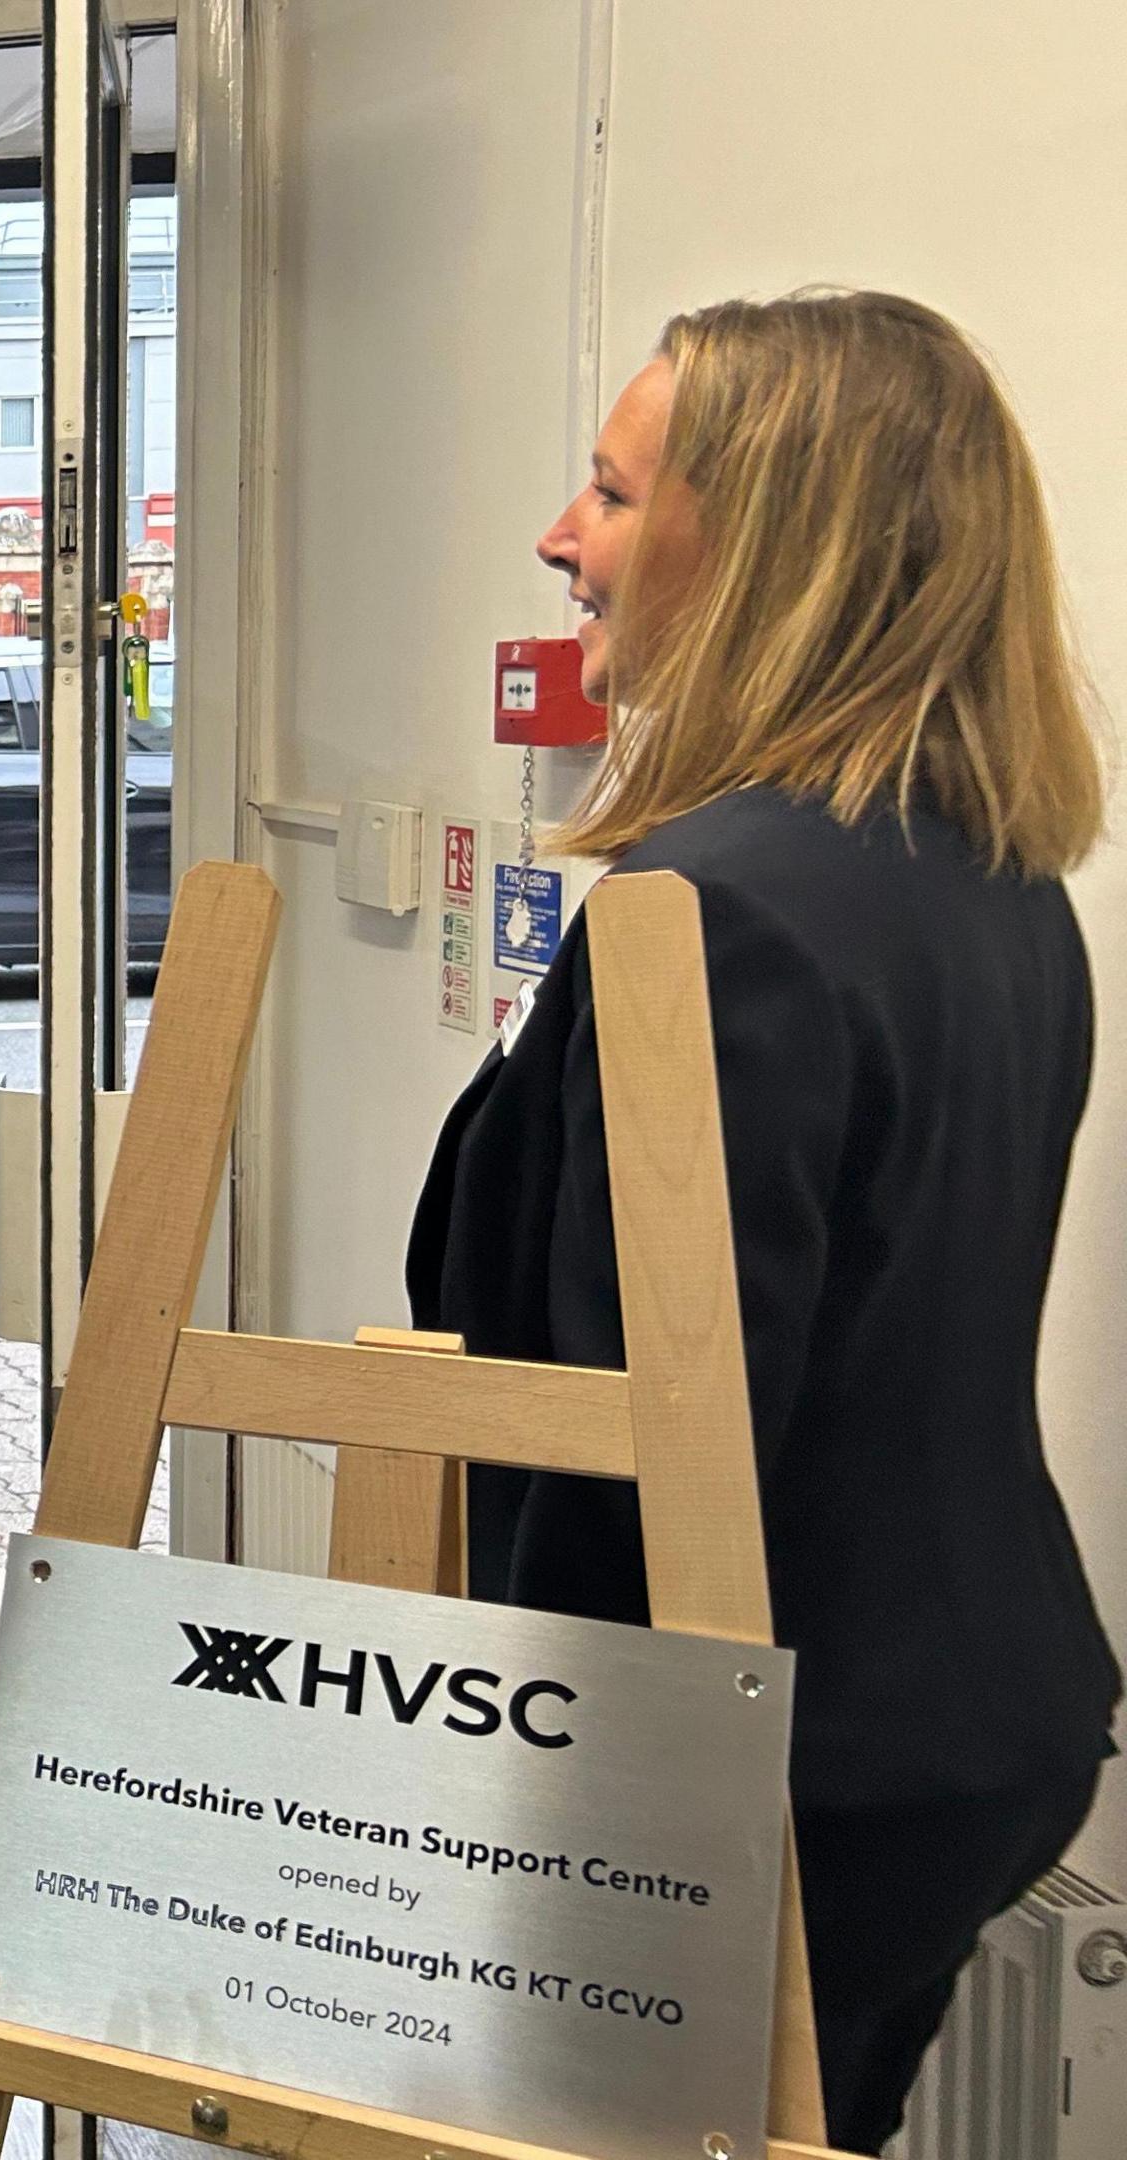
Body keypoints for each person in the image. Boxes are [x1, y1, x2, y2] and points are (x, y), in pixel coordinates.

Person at [409, 290, 1118, 2153]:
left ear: (772, 542)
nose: (564, 541)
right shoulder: (990, 875)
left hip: (763, 1779)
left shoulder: (720, 909)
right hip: (961, 1721)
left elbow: (657, 1468)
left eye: (614, 491)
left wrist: (501, 1829)